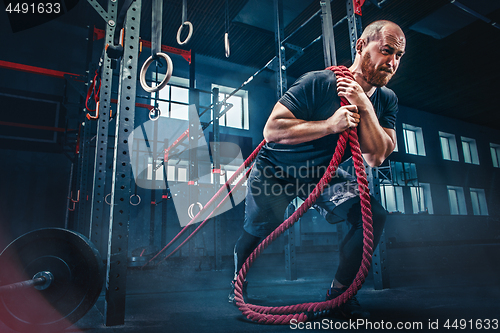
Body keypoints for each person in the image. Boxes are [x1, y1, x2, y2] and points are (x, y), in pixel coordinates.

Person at [229, 20, 406, 319]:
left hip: (323, 173)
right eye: (387, 51)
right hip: (276, 169)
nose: (392, 62)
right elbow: (272, 129)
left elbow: (377, 156)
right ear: (361, 46)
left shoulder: (386, 100)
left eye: (399, 56)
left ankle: (339, 296)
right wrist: (329, 125)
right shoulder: (319, 82)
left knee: (373, 215)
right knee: (257, 230)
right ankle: (237, 286)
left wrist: (363, 102)